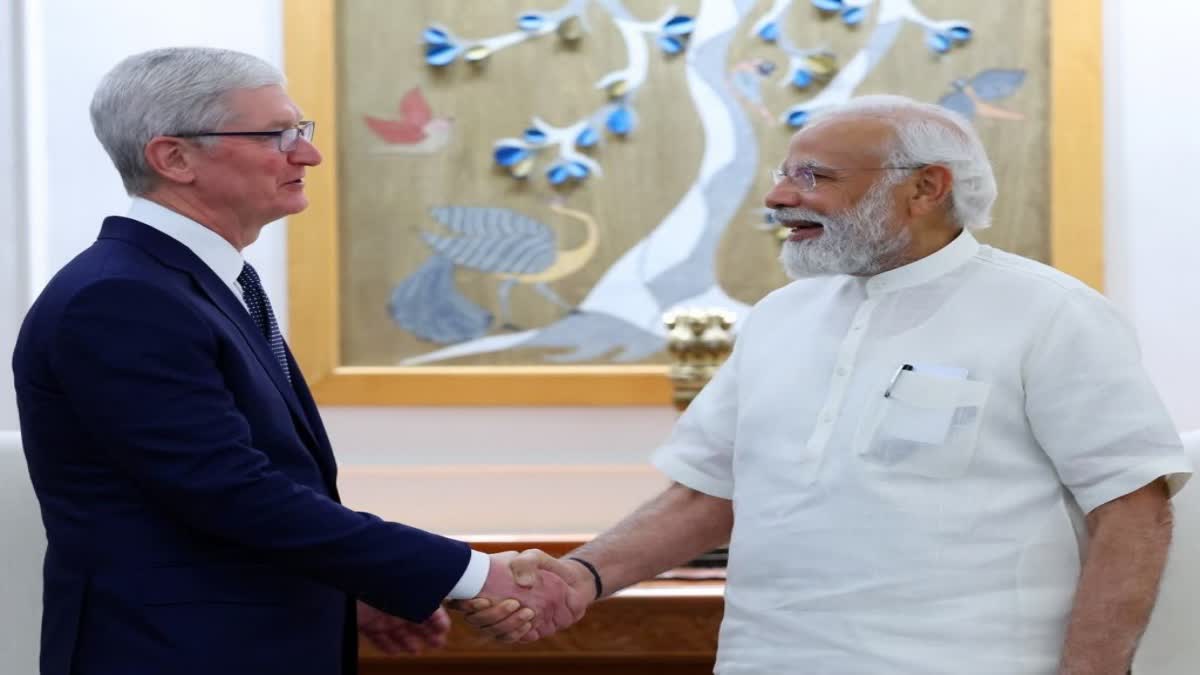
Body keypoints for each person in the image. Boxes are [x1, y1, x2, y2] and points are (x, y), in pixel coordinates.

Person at [460, 95, 1194, 674]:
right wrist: (581, 577)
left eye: (815, 176)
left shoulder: (1053, 313)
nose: (780, 195)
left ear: (926, 188)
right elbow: (706, 494)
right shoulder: (781, 317)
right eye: (784, 172)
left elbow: (1133, 512)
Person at [11, 47, 586, 675]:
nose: (306, 154)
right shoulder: (120, 298)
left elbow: (254, 492)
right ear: (173, 158)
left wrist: (347, 590)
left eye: (300, 132)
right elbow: (231, 492)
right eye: (274, 136)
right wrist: (470, 573)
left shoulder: (193, 282)